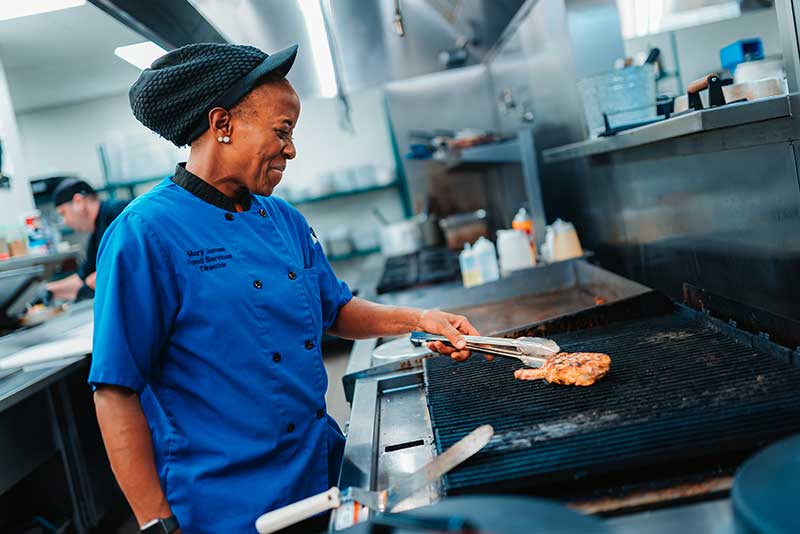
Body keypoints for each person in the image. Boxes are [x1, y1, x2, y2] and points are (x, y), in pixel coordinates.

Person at [89, 43, 478, 534]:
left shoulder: (284, 219)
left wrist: (420, 321)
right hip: (227, 504)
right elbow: (115, 390)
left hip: (322, 475)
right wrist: (154, 523)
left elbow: (335, 309)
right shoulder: (144, 233)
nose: (291, 149)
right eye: (282, 131)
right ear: (222, 125)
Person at [45, 179, 129, 301]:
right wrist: (48, 289)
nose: (65, 222)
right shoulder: (95, 235)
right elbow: (83, 278)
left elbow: (129, 262)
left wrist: (99, 277)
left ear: (79, 202)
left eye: (63, 213)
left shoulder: (120, 213)